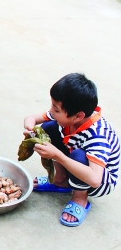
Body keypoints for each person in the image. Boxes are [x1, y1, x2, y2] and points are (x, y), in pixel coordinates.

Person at [23, 73, 119, 227]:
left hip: (98, 181)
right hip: (76, 161)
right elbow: (31, 118)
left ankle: (80, 198)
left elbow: (95, 179)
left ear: (78, 116)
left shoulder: (98, 137)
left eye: (56, 109)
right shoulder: (69, 114)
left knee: (78, 155)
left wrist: (59, 156)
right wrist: (30, 129)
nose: (51, 111)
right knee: (47, 127)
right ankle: (61, 180)